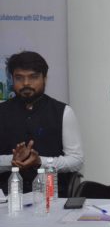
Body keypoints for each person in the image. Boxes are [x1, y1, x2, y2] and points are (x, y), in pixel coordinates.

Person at [0, 51, 84, 197]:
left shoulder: (63, 112)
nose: (26, 83)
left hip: (52, 197)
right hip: (8, 198)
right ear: (12, 79)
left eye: (33, 77)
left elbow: (76, 160)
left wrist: (41, 161)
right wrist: (12, 161)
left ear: (44, 78)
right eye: (19, 78)